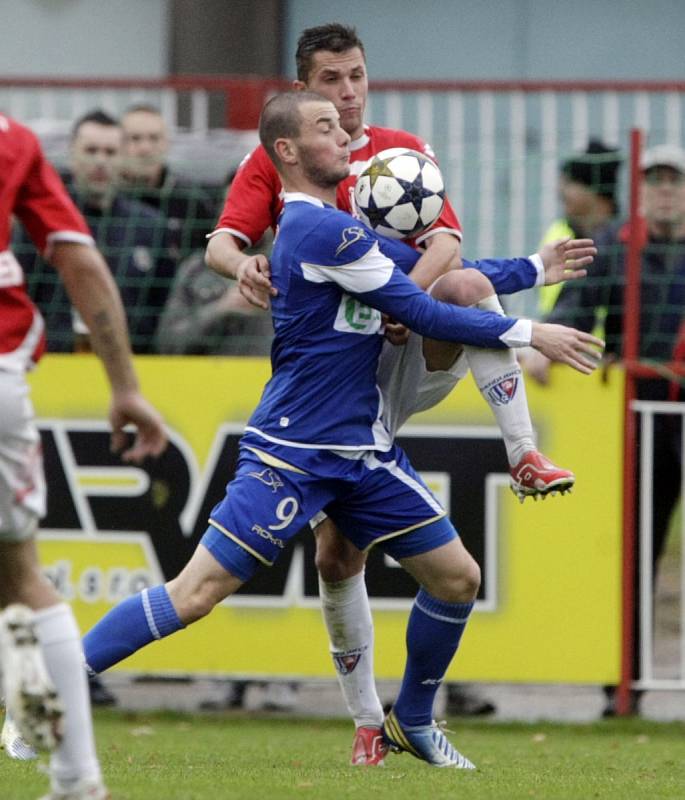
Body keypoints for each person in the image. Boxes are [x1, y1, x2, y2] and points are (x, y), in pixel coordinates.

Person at [80, 90, 602, 769]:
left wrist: (531, 270)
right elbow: (426, 311)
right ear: (289, 153)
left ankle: (409, 719)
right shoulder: (316, 231)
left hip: (360, 454)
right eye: (326, 127)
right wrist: (533, 329)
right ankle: (40, 690)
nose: (345, 135)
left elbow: (450, 275)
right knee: (195, 594)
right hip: (294, 451)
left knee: (455, 578)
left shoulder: (341, 227)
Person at [205, 23, 583, 759]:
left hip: (404, 349)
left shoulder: (401, 151)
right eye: (329, 83)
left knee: (467, 288)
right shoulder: (277, 158)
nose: (346, 95)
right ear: (301, 91)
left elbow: (445, 244)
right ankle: (366, 724)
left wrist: (399, 305)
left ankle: (525, 454)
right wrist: (240, 264)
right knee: (336, 558)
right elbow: (223, 239)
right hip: (336, 385)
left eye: (356, 78)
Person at [0, 113, 167, 799]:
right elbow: (79, 258)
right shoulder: (11, 139)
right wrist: (124, 387)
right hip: (3, 376)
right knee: (20, 577)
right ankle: (76, 780)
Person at [523, 143, 685, 716]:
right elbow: (576, 303)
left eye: (674, 179)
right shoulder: (616, 246)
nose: (665, 189)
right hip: (634, 419)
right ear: (640, 190)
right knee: (632, 550)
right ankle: (625, 683)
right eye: (656, 179)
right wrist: (545, 342)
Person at [20, 110, 176, 354]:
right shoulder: (41, 220)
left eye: (110, 152)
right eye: (91, 151)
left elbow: (161, 304)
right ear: (73, 154)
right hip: (53, 362)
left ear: (124, 157)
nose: (100, 161)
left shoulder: (150, 226)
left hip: (136, 363)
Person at [537, 139, 622, 317]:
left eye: (571, 182)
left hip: (605, 344)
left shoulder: (623, 241)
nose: (561, 192)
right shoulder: (558, 233)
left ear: (594, 191)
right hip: (556, 338)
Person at [120, 104, 217, 260]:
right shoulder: (107, 199)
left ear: (166, 144)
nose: (145, 148)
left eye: (154, 138)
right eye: (135, 138)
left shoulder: (192, 202)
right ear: (118, 145)